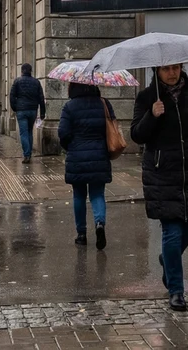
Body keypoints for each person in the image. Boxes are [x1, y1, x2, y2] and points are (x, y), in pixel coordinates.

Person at [130, 63, 188, 312]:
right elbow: (136, 134)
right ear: (157, 71)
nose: (172, 73)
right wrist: (152, 115)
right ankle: (176, 291)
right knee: (172, 231)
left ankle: (166, 260)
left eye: (176, 68)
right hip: (161, 172)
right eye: (167, 69)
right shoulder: (147, 97)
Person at [59, 82, 113, 250]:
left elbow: (63, 133)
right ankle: (99, 223)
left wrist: (71, 147)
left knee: (79, 195)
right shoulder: (104, 103)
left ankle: (81, 234)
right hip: (99, 155)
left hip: (77, 156)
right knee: (97, 193)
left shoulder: (70, 106)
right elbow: (112, 127)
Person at [9, 63, 46, 163]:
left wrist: (15, 108)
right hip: (33, 110)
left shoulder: (17, 81)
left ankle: (27, 154)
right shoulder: (36, 82)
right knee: (29, 131)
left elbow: (12, 96)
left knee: (24, 132)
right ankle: (28, 152)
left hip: (21, 110)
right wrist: (42, 112)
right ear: (31, 71)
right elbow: (41, 98)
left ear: (22, 71)